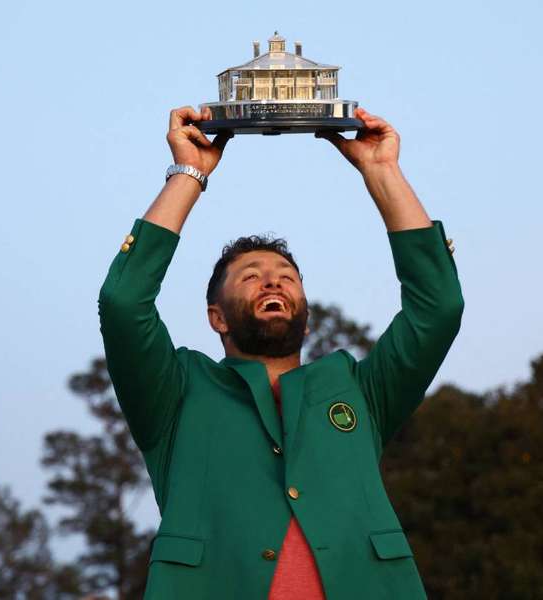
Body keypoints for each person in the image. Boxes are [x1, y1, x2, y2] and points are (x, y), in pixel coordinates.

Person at [98, 105, 464, 599]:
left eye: (287, 277)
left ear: (305, 311)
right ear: (217, 317)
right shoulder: (175, 394)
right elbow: (123, 304)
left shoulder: (359, 391)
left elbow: (437, 308)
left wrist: (382, 172)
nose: (273, 280)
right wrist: (190, 173)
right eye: (250, 276)